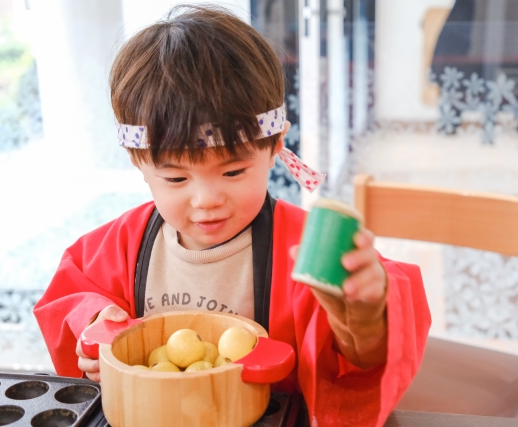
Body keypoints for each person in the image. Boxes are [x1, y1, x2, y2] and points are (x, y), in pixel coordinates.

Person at [33, 5, 431, 426]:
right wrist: (94, 327)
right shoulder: (119, 247)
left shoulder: (303, 251)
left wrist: (364, 315)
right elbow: (71, 295)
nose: (206, 199)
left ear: (275, 145)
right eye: (174, 178)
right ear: (139, 165)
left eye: (233, 171)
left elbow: (358, 365)